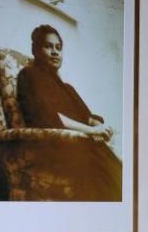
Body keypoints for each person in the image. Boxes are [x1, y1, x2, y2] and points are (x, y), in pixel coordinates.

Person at [17, 24, 122, 201]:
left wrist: (102, 127)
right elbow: (49, 116)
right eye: (48, 46)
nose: (55, 52)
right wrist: (92, 131)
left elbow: (88, 118)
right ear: (35, 50)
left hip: (81, 142)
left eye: (58, 48)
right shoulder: (29, 75)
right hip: (54, 146)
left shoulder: (67, 88)